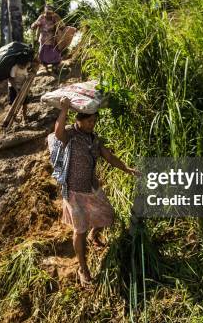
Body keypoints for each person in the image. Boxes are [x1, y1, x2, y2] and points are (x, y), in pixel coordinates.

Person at [54, 97, 140, 288]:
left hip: (91, 186)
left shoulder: (94, 138)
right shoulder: (70, 135)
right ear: (79, 120)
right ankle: (83, 269)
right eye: (89, 121)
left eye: (94, 121)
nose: (92, 124)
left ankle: (95, 234)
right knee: (79, 230)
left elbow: (108, 156)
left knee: (108, 215)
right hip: (73, 191)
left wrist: (127, 169)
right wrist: (64, 109)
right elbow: (57, 131)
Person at [31, 5, 63, 73]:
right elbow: (36, 23)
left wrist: (58, 22)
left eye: (50, 13)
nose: (49, 15)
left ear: (52, 13)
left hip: (53, 39)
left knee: (55, 54)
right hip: (43, 39)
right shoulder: (41, 17)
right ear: (44, 12)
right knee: (43, 54)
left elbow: (62, 25)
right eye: (47, 13)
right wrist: (34, 25)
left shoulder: (55, 17)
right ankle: (46, 67)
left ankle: (55, 67)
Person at [8, 59, 32, 124]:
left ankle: (24, 116)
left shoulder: (27, 65)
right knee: (14, 103)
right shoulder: (14, 68)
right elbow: (11, 79)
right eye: (22, 66)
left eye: (24, 66)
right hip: (13, 87)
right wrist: (16, 90)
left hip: (22, 87)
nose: (23, 67)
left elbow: (26, 74)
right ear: (19, 64)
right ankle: (13, 118)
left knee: (25, 102)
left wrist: (28, 77)